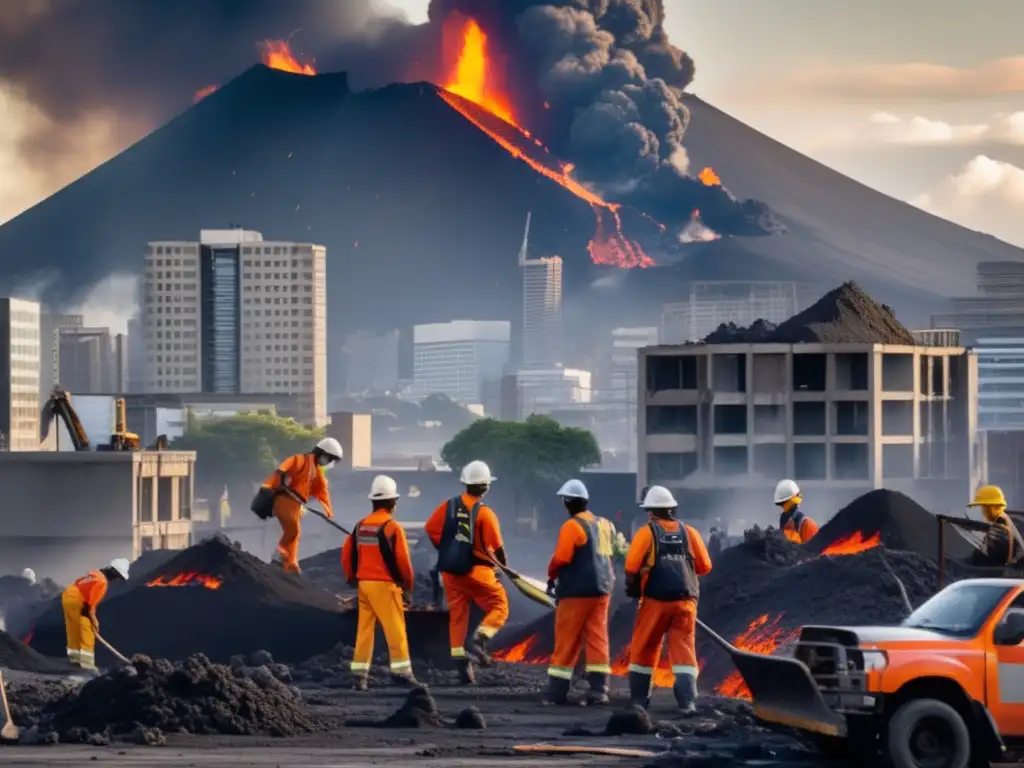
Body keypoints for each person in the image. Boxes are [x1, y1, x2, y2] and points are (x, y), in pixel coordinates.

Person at [624, 485, 712, 714]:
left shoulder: (647, 532)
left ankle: (639, 701)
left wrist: (633, 590)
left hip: (655, 601)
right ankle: (687, 702)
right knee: (684, 652)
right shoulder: (689, 532)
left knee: (645, 648)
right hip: (686, 602)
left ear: (651, 511)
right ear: (672, 509)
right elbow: (705, 566)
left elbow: (631, 566)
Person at [424, 460, 509, 684]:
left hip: (451, 574)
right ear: (486, 487)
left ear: (465, 484)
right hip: (479, 571)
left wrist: (447, 549)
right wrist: (504, 567)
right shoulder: (485, 513)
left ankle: (462, 667)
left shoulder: (448, 506)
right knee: (499, 606)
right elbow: (497, 547)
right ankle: (480, 639)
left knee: (458, 618)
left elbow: (431, 529)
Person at [342, 474, 418, 690]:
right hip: (385, 586)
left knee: (364, 630)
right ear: (393, 502)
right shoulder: (393, 528)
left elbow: (347, 555)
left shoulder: (360, 526)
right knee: (395, 628)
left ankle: (359, 675)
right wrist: (408, 587)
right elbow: (403, 562)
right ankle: (402, 672)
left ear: (373, 501)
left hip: (364, 585)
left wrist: (352, 579)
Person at [543, 479, 614, 706]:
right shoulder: (603, 524)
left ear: (567, 502)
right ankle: (599, 689)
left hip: (576, 592)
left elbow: (562, 558)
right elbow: (608, 554)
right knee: (597, 638)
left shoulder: (572, 526)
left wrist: (551, 575)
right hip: (602, 590)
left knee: (567, 638)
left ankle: (557, 691)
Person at [260, 437, 343, 573]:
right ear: (322, 454)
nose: (329, 463)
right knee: (293, 530)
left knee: (295, 534)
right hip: (284, 499)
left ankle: (290, 564)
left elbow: (322, 490)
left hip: (296, 503)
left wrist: (328, 511)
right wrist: (281, 481)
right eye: (329, 459)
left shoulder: (316, 471)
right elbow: (283, 469)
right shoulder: (301, 460)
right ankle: (278, 556)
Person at [61, 558, 130, 670]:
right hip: (78, 600)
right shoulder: (102, 582)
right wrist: (94, 621)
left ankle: (74, 660)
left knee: (74, 628)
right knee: (86, 629)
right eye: (117, 577)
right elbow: (90, 605)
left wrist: (91, 617)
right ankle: (87, 665)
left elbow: (78, 584)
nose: (116, 580)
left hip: (69, 595)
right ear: (113, 572)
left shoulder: (96, 574)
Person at [968, 485, 1024, 567]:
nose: (982, 511)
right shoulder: (1004, 520)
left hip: (999, 575)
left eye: (983, 507)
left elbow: (990, 557)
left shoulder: (1000, 526)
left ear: (991, 507)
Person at [774, 479, 819, 544]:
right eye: (781, 504)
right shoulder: (784, 520)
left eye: (784, 504)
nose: (783, 508)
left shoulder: (807, 524)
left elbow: (813, 550)